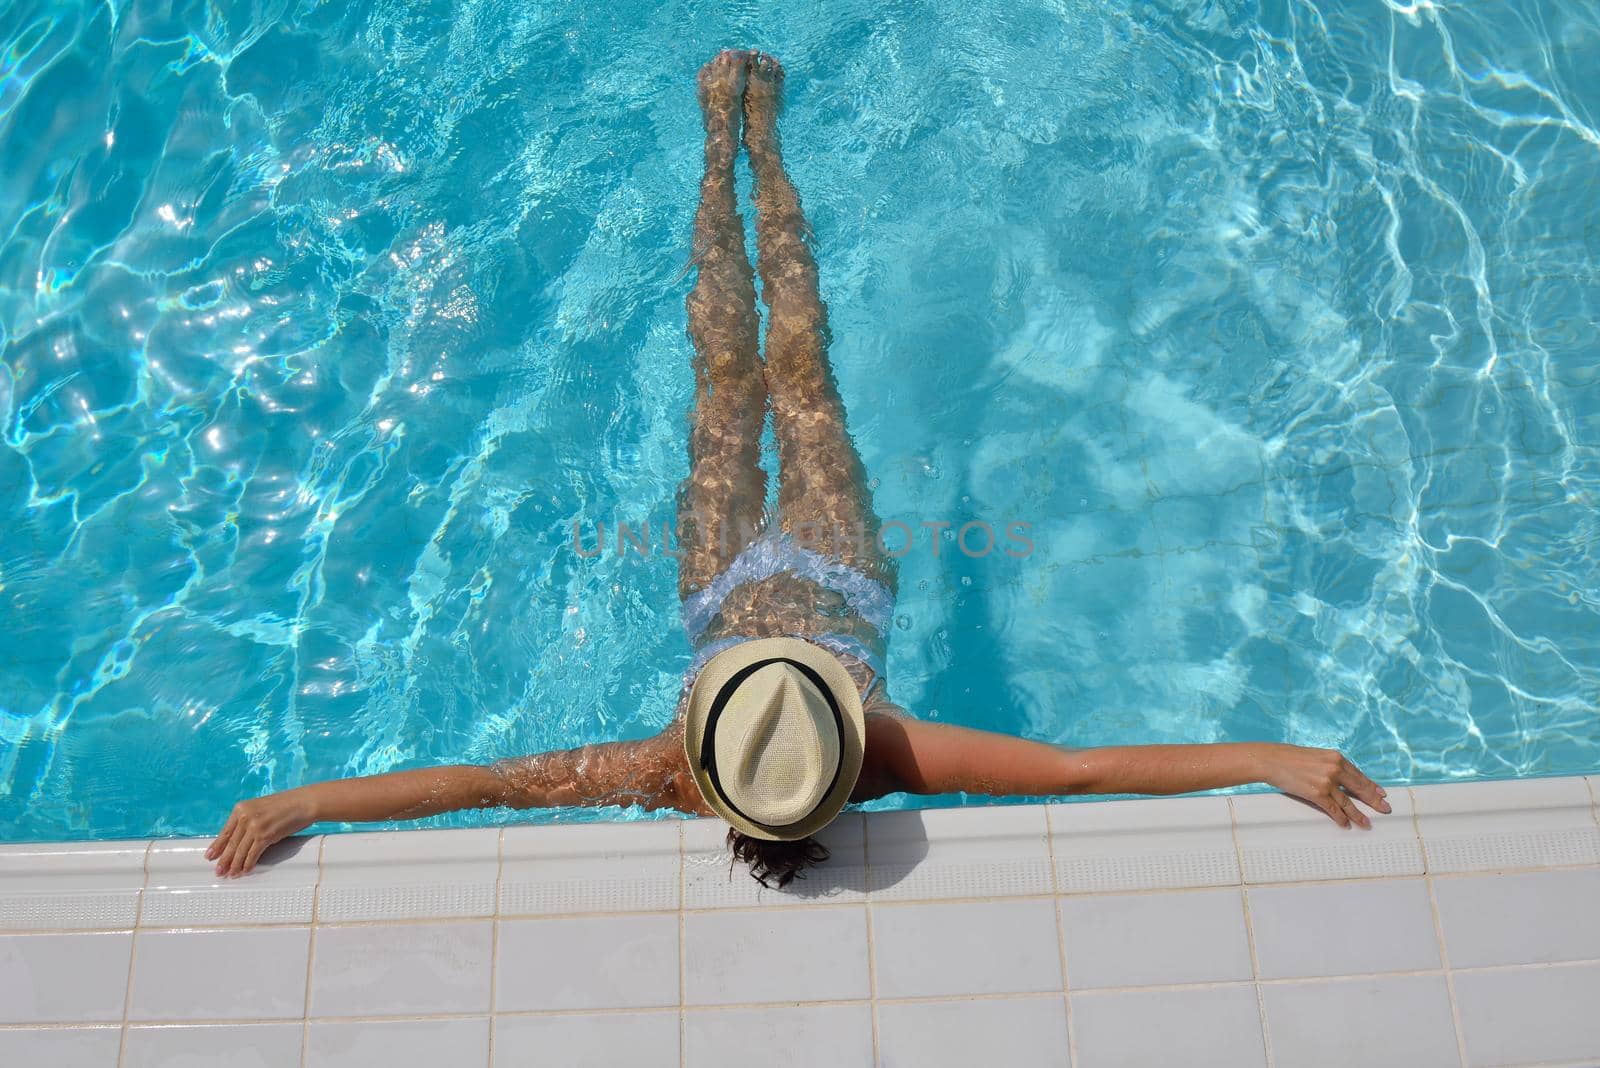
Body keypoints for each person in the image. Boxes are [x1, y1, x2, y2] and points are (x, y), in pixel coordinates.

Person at [206, 50, 1391, 884]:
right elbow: (1081, 769)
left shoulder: (671, 767)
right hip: (822, 571)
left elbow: (474, 785)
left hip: (724, 577)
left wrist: (301, 798)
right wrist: (1256, 755)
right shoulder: (877, 751)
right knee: (792, 363)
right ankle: (760, 140)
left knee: (734, 373)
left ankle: (715, 148)